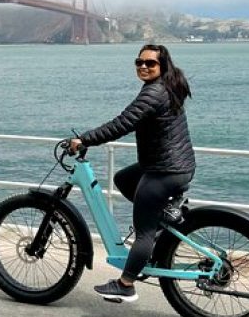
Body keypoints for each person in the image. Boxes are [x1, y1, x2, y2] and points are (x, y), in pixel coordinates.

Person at [69, 44, 195, 303]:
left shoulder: (154, 93)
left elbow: (123, 123)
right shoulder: (167, 86)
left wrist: (85, 139)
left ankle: (126, 285)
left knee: (144, 231)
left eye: (150, 63)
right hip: (174, 165)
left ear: (163, 66)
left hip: (165, 171)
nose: (144, 67)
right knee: (123, 179)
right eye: (139, 62)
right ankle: (165, 214)